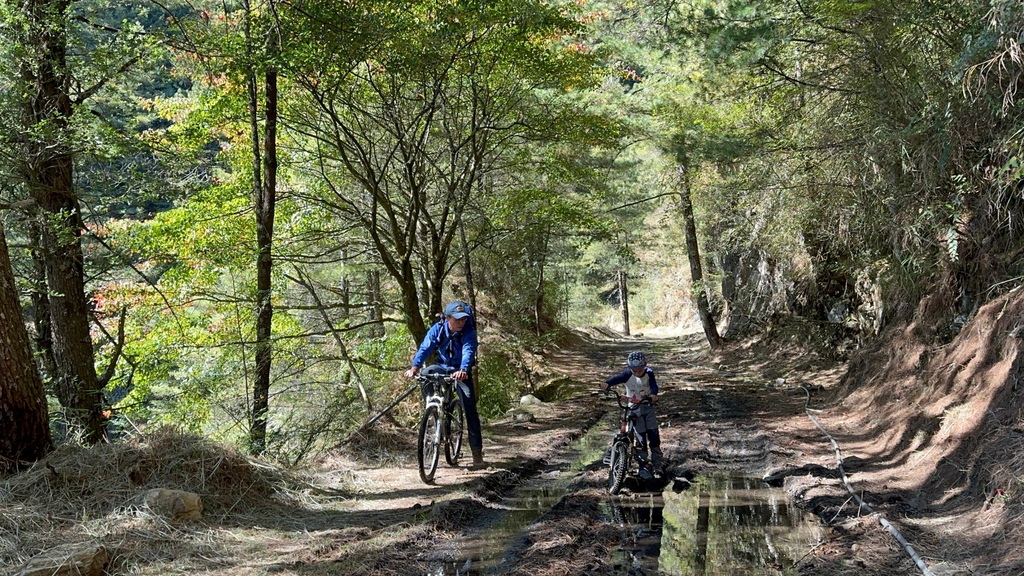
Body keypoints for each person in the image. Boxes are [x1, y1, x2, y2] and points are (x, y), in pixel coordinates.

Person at [405, 300, 484, 468]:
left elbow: (468, 350)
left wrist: (463, 369)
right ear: (447, 318)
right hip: (441, 366)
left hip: (460, 371)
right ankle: (432, 408)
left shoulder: (468, 331)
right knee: (426, 374)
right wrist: (415, 367)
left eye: (463, 319)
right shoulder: (438, 329)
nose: (461, 323)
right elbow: (426, 347)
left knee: (470, 408)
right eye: (457, 319)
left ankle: (477, 453)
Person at [600, 350, 662, 475]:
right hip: (634, 408)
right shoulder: (628, 374)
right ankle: (643, 464)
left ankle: (657, 464)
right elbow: (617, 379)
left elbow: (654, 386)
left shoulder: (649, 373)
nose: (637, 372)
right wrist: (607, 383)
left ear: (644, 366)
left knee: (653, 435)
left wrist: (654, 395)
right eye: (634, 370)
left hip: (647, 405)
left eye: (639, 369)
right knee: (640, 437)